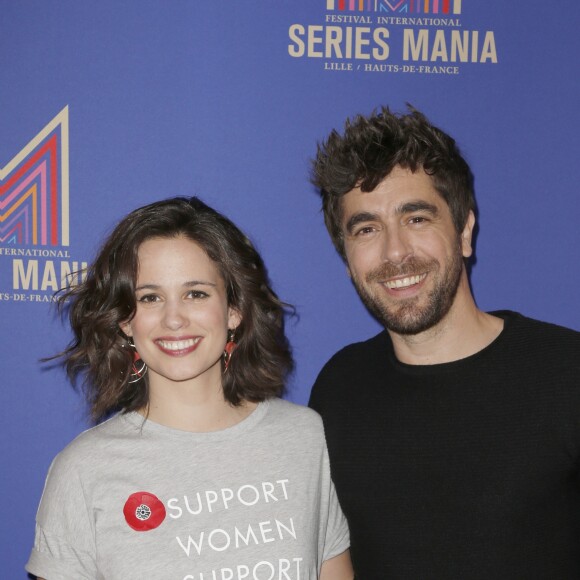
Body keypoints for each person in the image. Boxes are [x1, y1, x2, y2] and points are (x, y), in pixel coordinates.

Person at [308, 106, 580, 578]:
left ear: (465, 231)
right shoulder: (338, 386)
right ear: (346, 254)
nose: (395, 252)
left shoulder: (567, 372)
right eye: (367, 228)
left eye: (416, 218)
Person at [26, 197, 353, 580]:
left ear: (234, 310)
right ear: (126, 322)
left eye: (195, 293)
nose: (174, 318)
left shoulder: (303, 437)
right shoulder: (83, 470)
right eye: (149, 297)